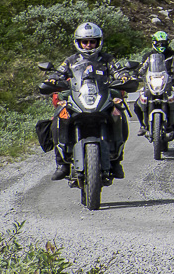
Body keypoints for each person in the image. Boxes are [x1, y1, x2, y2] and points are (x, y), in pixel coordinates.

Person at [44, 22, 130, 180]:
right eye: (85, 41)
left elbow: (118, 70)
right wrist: (52, 80)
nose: (89, 45)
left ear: (98, 42)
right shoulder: (71, 60)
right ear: (78, 42)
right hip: (78, 95)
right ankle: (61, 163)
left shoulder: (107, 59)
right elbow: (59, 73)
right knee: (59, 116)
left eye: (92, 41)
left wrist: (123, 76)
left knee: (118, 112)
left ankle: (117, 160)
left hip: (102, 95)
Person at [134, 31, 174, 139]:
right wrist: (135, 73)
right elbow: (141, 68)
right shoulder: (148, 56)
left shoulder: (173, 55)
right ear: (154, 43)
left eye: (164, 43)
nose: (161, 46)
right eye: (159, 43)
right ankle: (143, 125)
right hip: (151, 85)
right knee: (137, 104)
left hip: (169, 85)